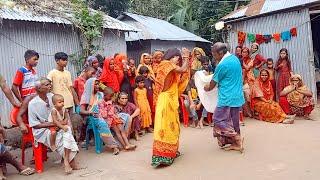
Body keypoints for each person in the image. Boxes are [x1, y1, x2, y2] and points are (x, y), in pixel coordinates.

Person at [28, 77, 80, 174]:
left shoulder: (53, 97)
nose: (50, 86)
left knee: (67, 132)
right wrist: (55, 124)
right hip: (42, 130)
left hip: (58, 125)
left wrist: (64, 122)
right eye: (47, 85)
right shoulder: (32, 104)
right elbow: (35, 125)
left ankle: (67, 161)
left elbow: (63, 111)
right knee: (60, 135)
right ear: (39, 88)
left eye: (50, 84)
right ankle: (69, 162)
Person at [151, 48, 190, 167]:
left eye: (179, 58)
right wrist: (186, 57)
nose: (178, 60)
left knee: (173, 126)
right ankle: (162, 155)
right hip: (165, 100)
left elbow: (181, 76)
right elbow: (183, 69)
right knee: (164, 127)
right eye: (176, 57)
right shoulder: (166, 65)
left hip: (170, 101)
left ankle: (171, 152)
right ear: (171, 57)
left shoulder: (169, 66)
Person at [204, 42, 244, 152]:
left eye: (214, 54)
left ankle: (237, 138)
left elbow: (211, 85)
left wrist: (205, 87)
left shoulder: (222, 65)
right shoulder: (235, 59)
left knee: (218, 119)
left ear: (220, 52)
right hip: (237, 95)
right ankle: (235, 143)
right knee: (233, 120)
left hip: (226, 97)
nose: (213, 56)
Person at [80, 78, 120, 155]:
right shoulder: (85, 96)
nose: (98, 86)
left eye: (98, 84)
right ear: (90, 85)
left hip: (105, 114)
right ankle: (114, 146)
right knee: (103, 123)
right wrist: (90, 112)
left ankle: (122, 142)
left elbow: (107, 103)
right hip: (93, 117)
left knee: (122, 117)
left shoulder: (101, 94)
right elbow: (81, 111)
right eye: (95, 84)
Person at [241, 47, 254, 118]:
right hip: (241, 79)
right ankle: (247, 112)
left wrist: (242, 62)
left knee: (249, 96)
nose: (244, 53)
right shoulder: (239, 60)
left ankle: (252, 112)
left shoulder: (250, 60)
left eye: (246, 52)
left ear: (248, 53)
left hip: (249, 80)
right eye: (243, 52)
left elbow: (247, 68)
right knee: (243, 96)